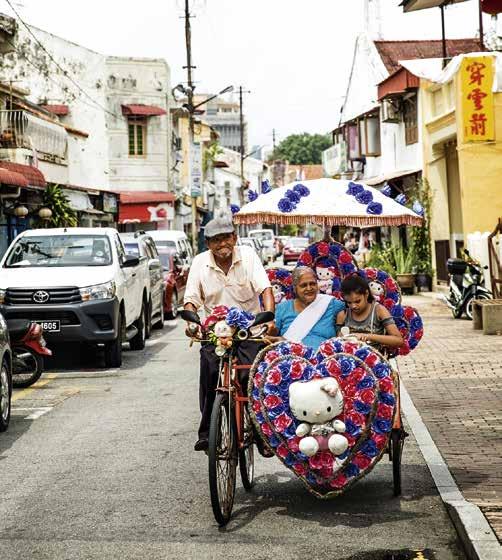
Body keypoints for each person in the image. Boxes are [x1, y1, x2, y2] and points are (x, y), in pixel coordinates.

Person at [183, 215, 275, 452]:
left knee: (252, 378)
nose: (222, 244)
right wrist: (192, 322)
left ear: (234, 238)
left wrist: (269, 318)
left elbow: (265, 289)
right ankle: (207, 434)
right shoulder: (200, 263)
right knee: (209, 376)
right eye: (216, 240)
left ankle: (259, 431)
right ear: (207, 243)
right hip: (215, 332)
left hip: (248, 331)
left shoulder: (248, 257)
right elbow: (191, 299)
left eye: (226, 238)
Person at [266, 267, 344, 351]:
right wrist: (283, 342)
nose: (309, 288)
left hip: (325, 359)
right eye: (303, 285)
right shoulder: (282, 308)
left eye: (312, 284)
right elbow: (270, 337)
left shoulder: (331, 303)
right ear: (295, 288)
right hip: (291, 359)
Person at [336, 275, 403, 349]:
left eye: (357, 301)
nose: (353, 306)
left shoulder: (379, 310)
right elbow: (337, 341)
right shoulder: (343, 315)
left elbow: (398, 340)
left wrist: (368, 336)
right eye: (349, 302)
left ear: (366, 294)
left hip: (373, 357)